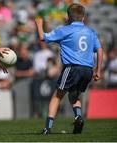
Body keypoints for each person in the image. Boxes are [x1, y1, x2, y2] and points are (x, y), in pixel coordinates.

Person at [35, 3, 103, 134]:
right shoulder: (91, 31)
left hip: (72, 68)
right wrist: (98, 70)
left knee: (57, 96)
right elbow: (99, 50)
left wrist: (39, 24)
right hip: (88, 70)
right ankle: (78, 117)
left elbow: (42, 37)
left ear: (68, 17)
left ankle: (47, 128)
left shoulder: (64, 30)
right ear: (83, 17)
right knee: (74, 95)